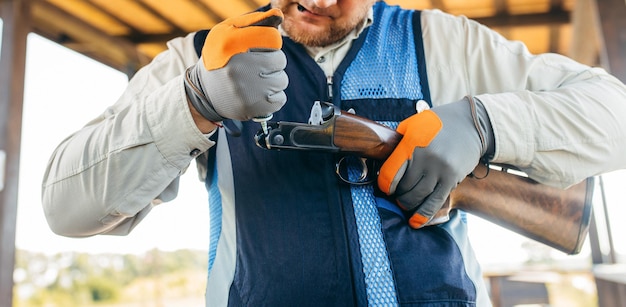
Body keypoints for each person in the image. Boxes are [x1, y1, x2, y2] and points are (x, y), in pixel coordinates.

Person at [42, 0, 626, 306]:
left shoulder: (443, 40)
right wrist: (194, 100)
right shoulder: (199, 57)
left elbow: (614, 114)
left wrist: (486, 122)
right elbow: (65, 207)